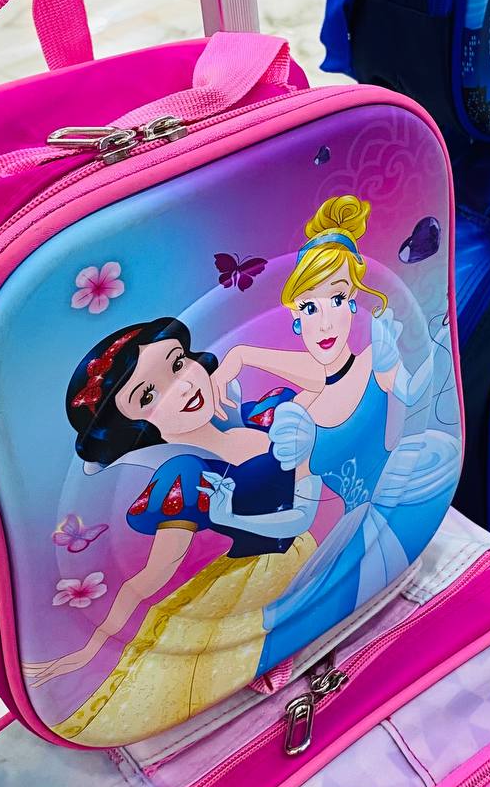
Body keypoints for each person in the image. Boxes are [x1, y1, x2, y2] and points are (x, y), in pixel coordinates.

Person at [23, 316, 320, 746]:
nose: (181, 387)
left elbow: (325, 376)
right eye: (148, 396)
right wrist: (90, 648)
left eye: (178, 364)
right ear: (135, 430)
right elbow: (151, 578)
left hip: (305, 549)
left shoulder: (263, 416)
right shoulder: (185, 476)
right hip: (250, 576)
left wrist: (243, 354)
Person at [212, 194, 460, 655]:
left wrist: (437, 343)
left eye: (338, 298)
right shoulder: (298, 416)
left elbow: (411, 404)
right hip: (354, 536)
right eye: (309, 307)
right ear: (294, 317)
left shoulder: (373, 359)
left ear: (353, 304)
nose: (324, 320)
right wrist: (229, 517)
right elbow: (301, 516)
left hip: (404, 501)